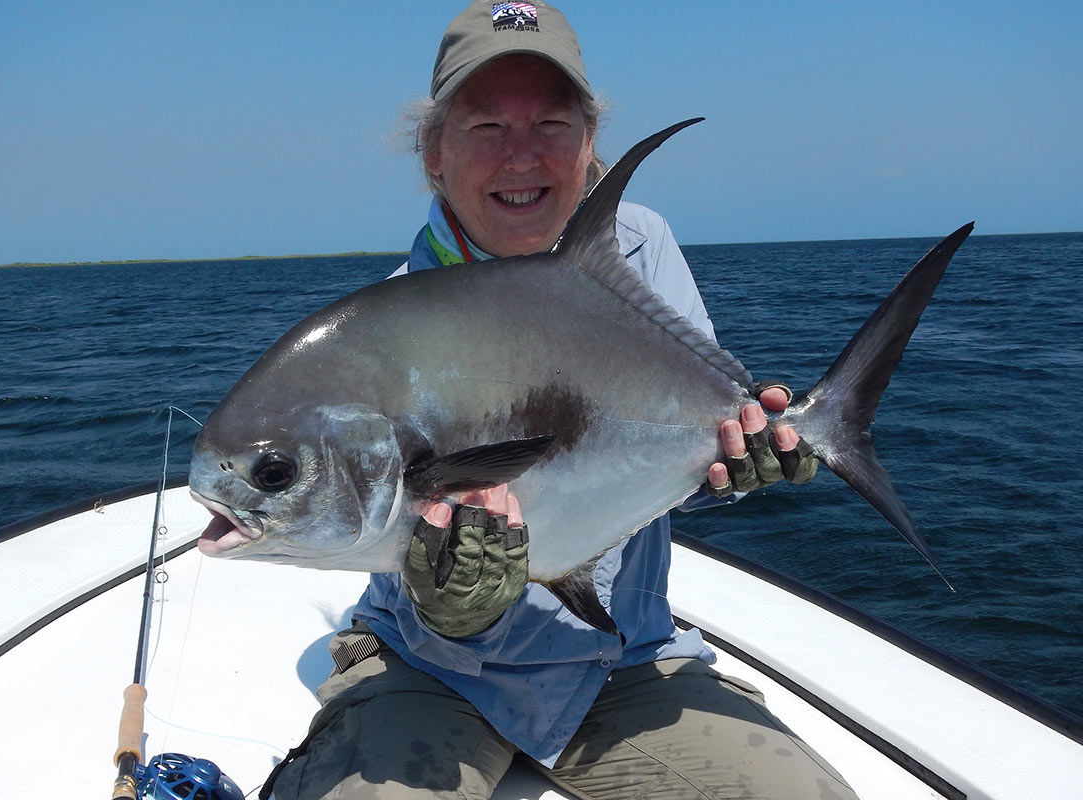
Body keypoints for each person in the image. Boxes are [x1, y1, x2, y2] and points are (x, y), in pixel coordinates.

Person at [266, 3, 855, 798]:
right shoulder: (389, 330)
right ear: (433, 153)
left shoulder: (640, 249)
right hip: (427, 668)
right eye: (485, 128)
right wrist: (446, 608)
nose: (522, 157)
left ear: (589, 146)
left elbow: (661, 465)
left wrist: (734, 465)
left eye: (550, 123)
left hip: (622, 660)